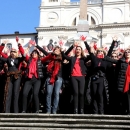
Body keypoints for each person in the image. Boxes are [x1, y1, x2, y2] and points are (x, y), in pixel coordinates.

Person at [18, 43, 54, 113]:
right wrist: (24, 46)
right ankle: (23, 110)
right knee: (24, 93)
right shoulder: (29, 60)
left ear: (38, 55)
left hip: (37, 79)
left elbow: (48, 57)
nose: (34, 54)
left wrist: (52, 53)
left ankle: (37, 110)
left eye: (35, 53)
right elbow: (23, 53)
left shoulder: (40, 61)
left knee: (35, 94)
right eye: (33, 53)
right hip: (29, 79)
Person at [61, 42, 89, 114]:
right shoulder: (72, 58)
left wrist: (86, 43)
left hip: (81, 76)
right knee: (75, 93)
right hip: (73, 77)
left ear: (81, 51)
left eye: (79, 49)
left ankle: (81, 109)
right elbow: (64, 55)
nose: (78, 50)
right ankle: (75, 109)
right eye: (77, 49)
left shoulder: (84, 59)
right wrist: (72, 46)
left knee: (81, 93)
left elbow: (91, 55)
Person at [0, 42, 24, 113]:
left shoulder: (18, 59)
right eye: (11, 52)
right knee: (8, 93)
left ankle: (15, 111)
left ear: (16, 53)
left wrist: (19, 45)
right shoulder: (8, 59)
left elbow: (24, 55)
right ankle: (7, 111)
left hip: (17, 77)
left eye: (14, 52)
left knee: (15, 94)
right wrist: (2, 45)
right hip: (9, 77)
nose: (12, 53)